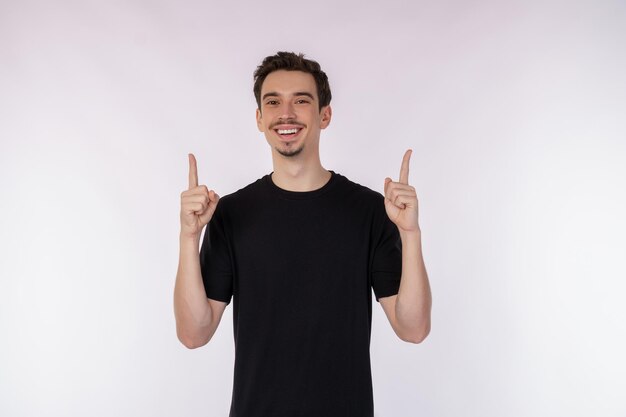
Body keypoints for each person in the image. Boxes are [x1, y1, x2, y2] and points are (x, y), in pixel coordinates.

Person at [174, 51, 432, 417]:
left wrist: (411, 233)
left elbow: (414, 328)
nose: (287, 114)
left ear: (324, 115)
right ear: (260, 119)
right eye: (273, 102)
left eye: (302, 101)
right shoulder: (231, 213)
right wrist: (188, 238)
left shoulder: (370, 211)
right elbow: (193, 334)